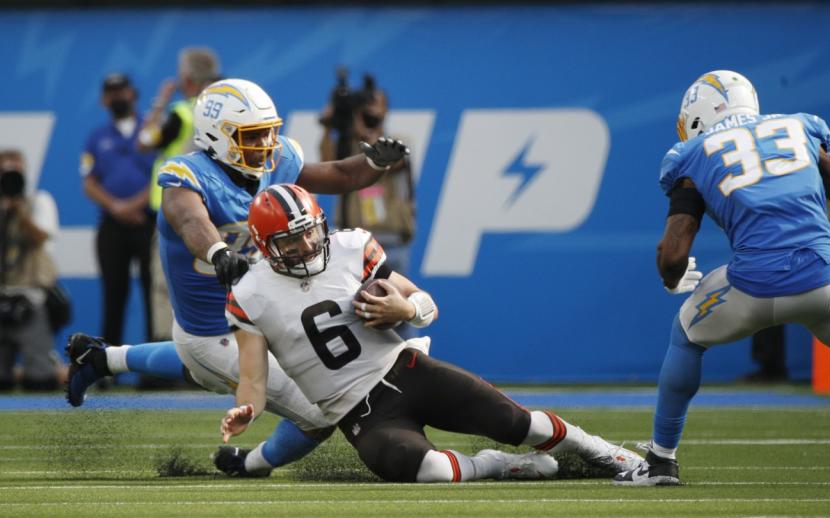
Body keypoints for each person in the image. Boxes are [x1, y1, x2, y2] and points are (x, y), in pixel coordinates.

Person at [613, 70, 830, 487]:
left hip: (751, 288)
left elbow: (674, 252)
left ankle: (660, 462)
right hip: (822, 283)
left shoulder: (692, 155)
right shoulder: (798, 128)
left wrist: (672, 278)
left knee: (687, 333)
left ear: (697, 115)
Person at [65, 78, 412, 478]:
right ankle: (249, 462)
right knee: (319, 411)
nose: (266, 143)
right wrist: (218, 252)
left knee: (201, 368)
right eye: (252, 135)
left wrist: (373, 164)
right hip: (213, 330)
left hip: (258, 314)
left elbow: (339, 174)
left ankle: (102, 358)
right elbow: (189, 218)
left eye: (268, 132)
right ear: (217, 136)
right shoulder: (187, 174)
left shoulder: (276, 160)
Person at [219, 183, 641, 482]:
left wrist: (403, 307)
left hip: (408, 370)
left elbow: (426, 305)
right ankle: (499, 465)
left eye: (310, 231)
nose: (308, 246)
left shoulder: (349, 247)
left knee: (519, 422)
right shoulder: (250, 294)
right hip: (358, 415)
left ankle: (607, 453)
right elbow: (253, 381)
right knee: (430, 470)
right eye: (291, 241)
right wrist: (246, 411)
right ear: (265, 244)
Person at [138, 47, 221, 349]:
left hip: (173, 210)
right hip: (213, 208)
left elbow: (145, 141)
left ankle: (167, 355)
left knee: (165, 284)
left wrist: (160, 102)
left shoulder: (182, 111)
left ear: (187, 79)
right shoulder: (224, 110)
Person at [80, 73, 156, 349]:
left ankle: (155, 366)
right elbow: (89, 181)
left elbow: (162, 173)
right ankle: (106, 364)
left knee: (154, 293)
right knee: (114, 294)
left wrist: (134, 205)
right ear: (104, 99)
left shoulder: (151, 131)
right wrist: (116, 207)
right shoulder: (97, 137)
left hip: (148, 221)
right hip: (111, 224)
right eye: (112, 93)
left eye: (122, 91)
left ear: (133, 94)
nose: (118, 98)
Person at [320, 75, 416, 277]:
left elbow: (392, 161)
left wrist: (367, 132)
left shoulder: (398, 141)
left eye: (374, 105)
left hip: (389, 238)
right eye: (363, 107)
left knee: (391, 301)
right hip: (351, 239)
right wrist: (330, 126)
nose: (368, 111)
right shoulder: (349, 145)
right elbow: (326, 162)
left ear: (385, 109)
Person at [0, 150, 61, 391]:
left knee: (40, 381)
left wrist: (19, 211)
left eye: (15, 171)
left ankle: (45, 367)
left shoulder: (39, 201)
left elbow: (39, 237)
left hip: (30, 297)